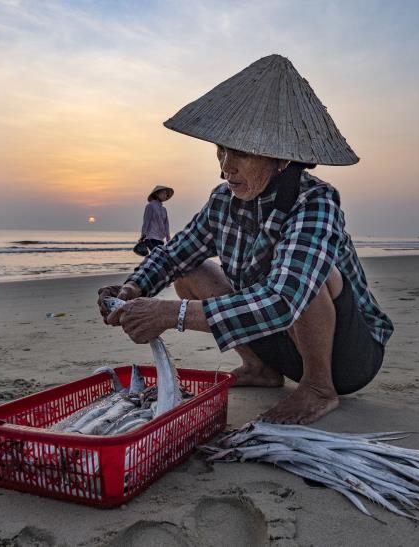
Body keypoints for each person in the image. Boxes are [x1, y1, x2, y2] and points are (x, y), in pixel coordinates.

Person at [98, 55, 393, 424]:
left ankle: (318, 387)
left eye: (241, 154)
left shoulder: (315, 200)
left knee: (313, 274)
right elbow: (175, 253)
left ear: (281, 160)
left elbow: (286, 299)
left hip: (347, 356)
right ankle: (259, 368)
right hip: (279, 340)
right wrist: (133, 288)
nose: (225, 166)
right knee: (189, 271)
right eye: (221, 151)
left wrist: (171, 314)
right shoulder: (223, 199)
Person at [139, 185, 173, 252]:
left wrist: (168, 238)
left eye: (166, 194)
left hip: (160, 239)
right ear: (157, 194)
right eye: (163, 193)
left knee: (158, 256)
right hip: (150, 238)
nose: (165, 195)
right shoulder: (150, 206)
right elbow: (146, 222)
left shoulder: (164, 209)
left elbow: (166, 225)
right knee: (157, 255)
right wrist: (142, 236)